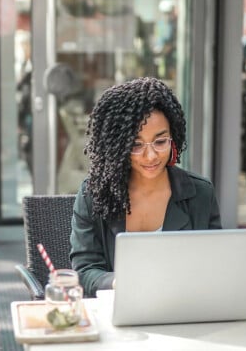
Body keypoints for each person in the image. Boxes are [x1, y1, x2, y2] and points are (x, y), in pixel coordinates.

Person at [69, 77, 222, 297]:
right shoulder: (94, 194)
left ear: (174, 138)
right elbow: (84, 271)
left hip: (184, 310)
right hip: (117, 313)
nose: (150, 156)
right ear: (118, 147)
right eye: (136, 145)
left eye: (160, 142)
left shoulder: (200, 194)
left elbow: (215, 267)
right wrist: (117, 282)